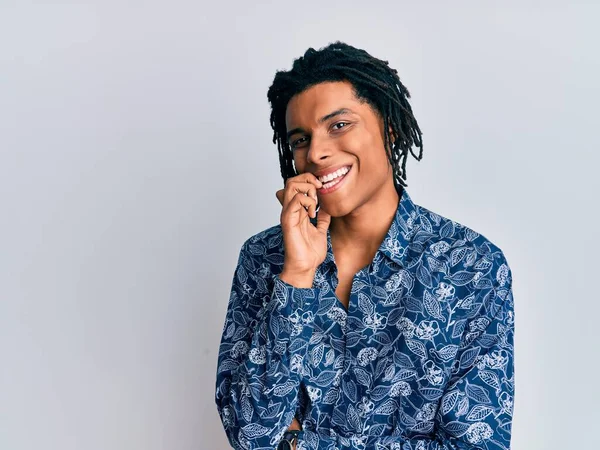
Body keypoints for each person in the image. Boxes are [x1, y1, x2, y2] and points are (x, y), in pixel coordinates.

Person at [215, 41, 514, 450]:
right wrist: (298, 276)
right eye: (300, 139)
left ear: (388, 126)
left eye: (338, 125)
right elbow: (250, 435)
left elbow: (474, 443)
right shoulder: (264, 259)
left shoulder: (472, 268)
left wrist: (305, 445)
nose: (317, 153)